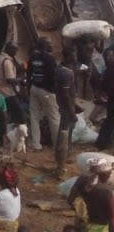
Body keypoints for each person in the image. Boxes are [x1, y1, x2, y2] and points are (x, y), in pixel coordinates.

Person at [28, 38, 60, 153]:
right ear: (45, 45)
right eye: (50, 44)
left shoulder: (33, 57)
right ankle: (58, 146)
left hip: (34, 88)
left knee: (34, 117)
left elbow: (29, 73)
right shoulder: (49, 58)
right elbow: (53, 77)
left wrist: (29, 89)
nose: (52, 45)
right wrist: (54, 91)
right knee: (54, 118)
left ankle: (36, 145)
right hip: (47, 91)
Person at [69, 157, 114, 231]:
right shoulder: (106, 191)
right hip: (99, 227)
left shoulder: (82, 179)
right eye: (109, 172)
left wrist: (82, 212)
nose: (110, 174)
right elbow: (112, 217)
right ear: (105, 174)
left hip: (81, 222)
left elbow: (70, 200)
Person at [56, 45, 79, 179]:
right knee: (66, 133)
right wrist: (72, 111)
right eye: (73, 55)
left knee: (63, 131)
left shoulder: (60, 68)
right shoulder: (67, 73)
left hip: (62, 104)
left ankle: (61, 156)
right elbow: (66, 94)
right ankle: (63, 158)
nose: (75, 57)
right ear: (69, 57)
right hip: (66, 107)